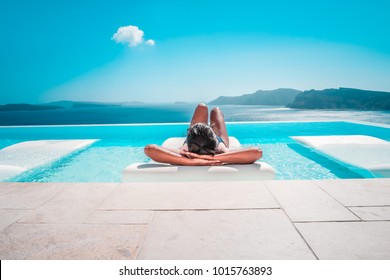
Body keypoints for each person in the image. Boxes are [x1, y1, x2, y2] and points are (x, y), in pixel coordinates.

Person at [144, 103, 262, 166]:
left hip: (197, 144)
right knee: (216, 111)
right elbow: (257, 152)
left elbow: (149, 149)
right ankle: (213, 118)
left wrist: (192, 160)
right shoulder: (220, 150)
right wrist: (213, 158)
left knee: (202, 107)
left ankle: (200, 128)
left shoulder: (185, 152)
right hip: (211, 146)